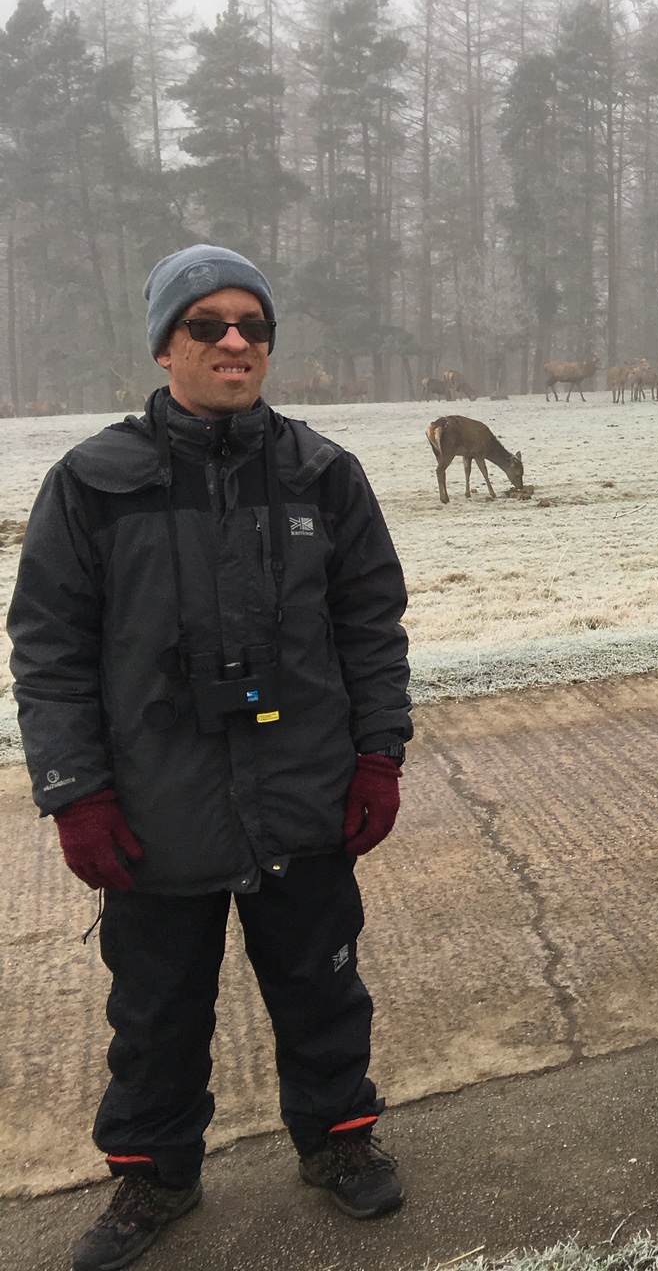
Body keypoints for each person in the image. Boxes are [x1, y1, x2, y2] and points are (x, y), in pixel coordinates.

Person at [10, 245, 413, 1270]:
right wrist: (76, 794)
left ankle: (338, 1141)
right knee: (154, 1009)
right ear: (165, 343)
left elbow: (373, 626)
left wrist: (379, 755)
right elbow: (48, 650)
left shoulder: (324, 473)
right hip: (157, 810)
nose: (236, 342)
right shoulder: (93, 485)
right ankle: (156, 1176)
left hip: (303, 795)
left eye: (254, 325)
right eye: (208, 324)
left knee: (323, 984)